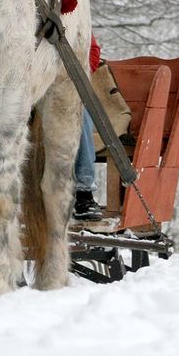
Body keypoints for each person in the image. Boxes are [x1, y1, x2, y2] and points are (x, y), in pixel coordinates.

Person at [73, 35, 104, 221]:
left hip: (66, 83)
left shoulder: (74, 13)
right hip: (27, 85)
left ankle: (83, 192)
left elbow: (92, 50)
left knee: (79, 113)